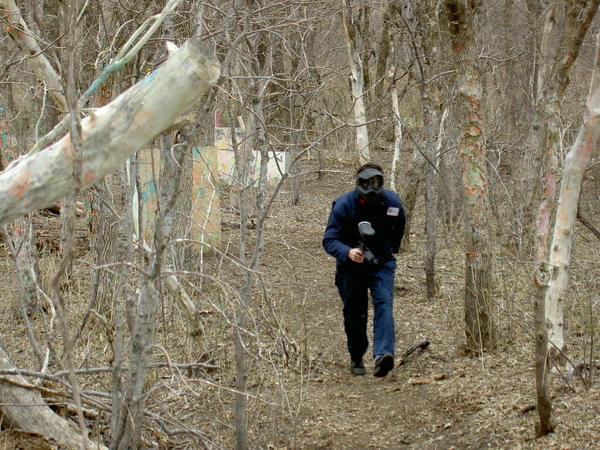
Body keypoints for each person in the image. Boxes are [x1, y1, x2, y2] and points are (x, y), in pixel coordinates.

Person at [322, 162, 406, 377]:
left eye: (375, 182)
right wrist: (348, 252)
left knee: (384, 304)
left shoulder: (393, 203)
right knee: (355, 312)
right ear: (358, 182)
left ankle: (383, 356)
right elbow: (329, 240)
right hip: (351, 268)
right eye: (366, 182)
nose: (371, 187)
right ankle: (357, 356)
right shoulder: (343, 205)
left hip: (382, 264)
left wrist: (387, 251)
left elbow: (399, 229)